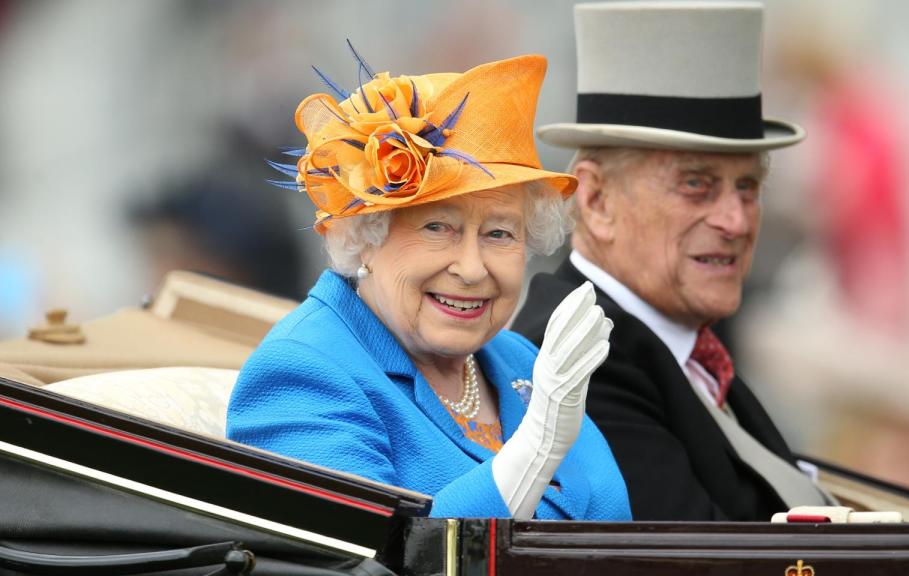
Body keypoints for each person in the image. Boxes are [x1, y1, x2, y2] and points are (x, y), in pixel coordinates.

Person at [227, 50, 630, 521]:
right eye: (437, 227)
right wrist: (535, 449)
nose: (472, 268)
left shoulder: (524, 362)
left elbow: (615, 530)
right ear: (365, 235)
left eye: (499, 233)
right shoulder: (302, 374)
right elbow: (371, 561)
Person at [513, 2, 833, 521]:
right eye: (696, 185)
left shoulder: (684, 343)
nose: (736, 220)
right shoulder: (580, 359)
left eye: (748, 186)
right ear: (596, 202)